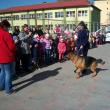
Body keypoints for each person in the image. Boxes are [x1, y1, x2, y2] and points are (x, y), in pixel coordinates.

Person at [0, 20, 16, 94]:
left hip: (0, 57)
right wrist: (14, 43)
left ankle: (1, 86)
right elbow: (11, 47)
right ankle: (8, 89)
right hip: (7, 57)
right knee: (8, 73)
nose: (8, 29)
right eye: (8, 27)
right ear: (5, 26)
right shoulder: (6, 34)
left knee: (2, 72)